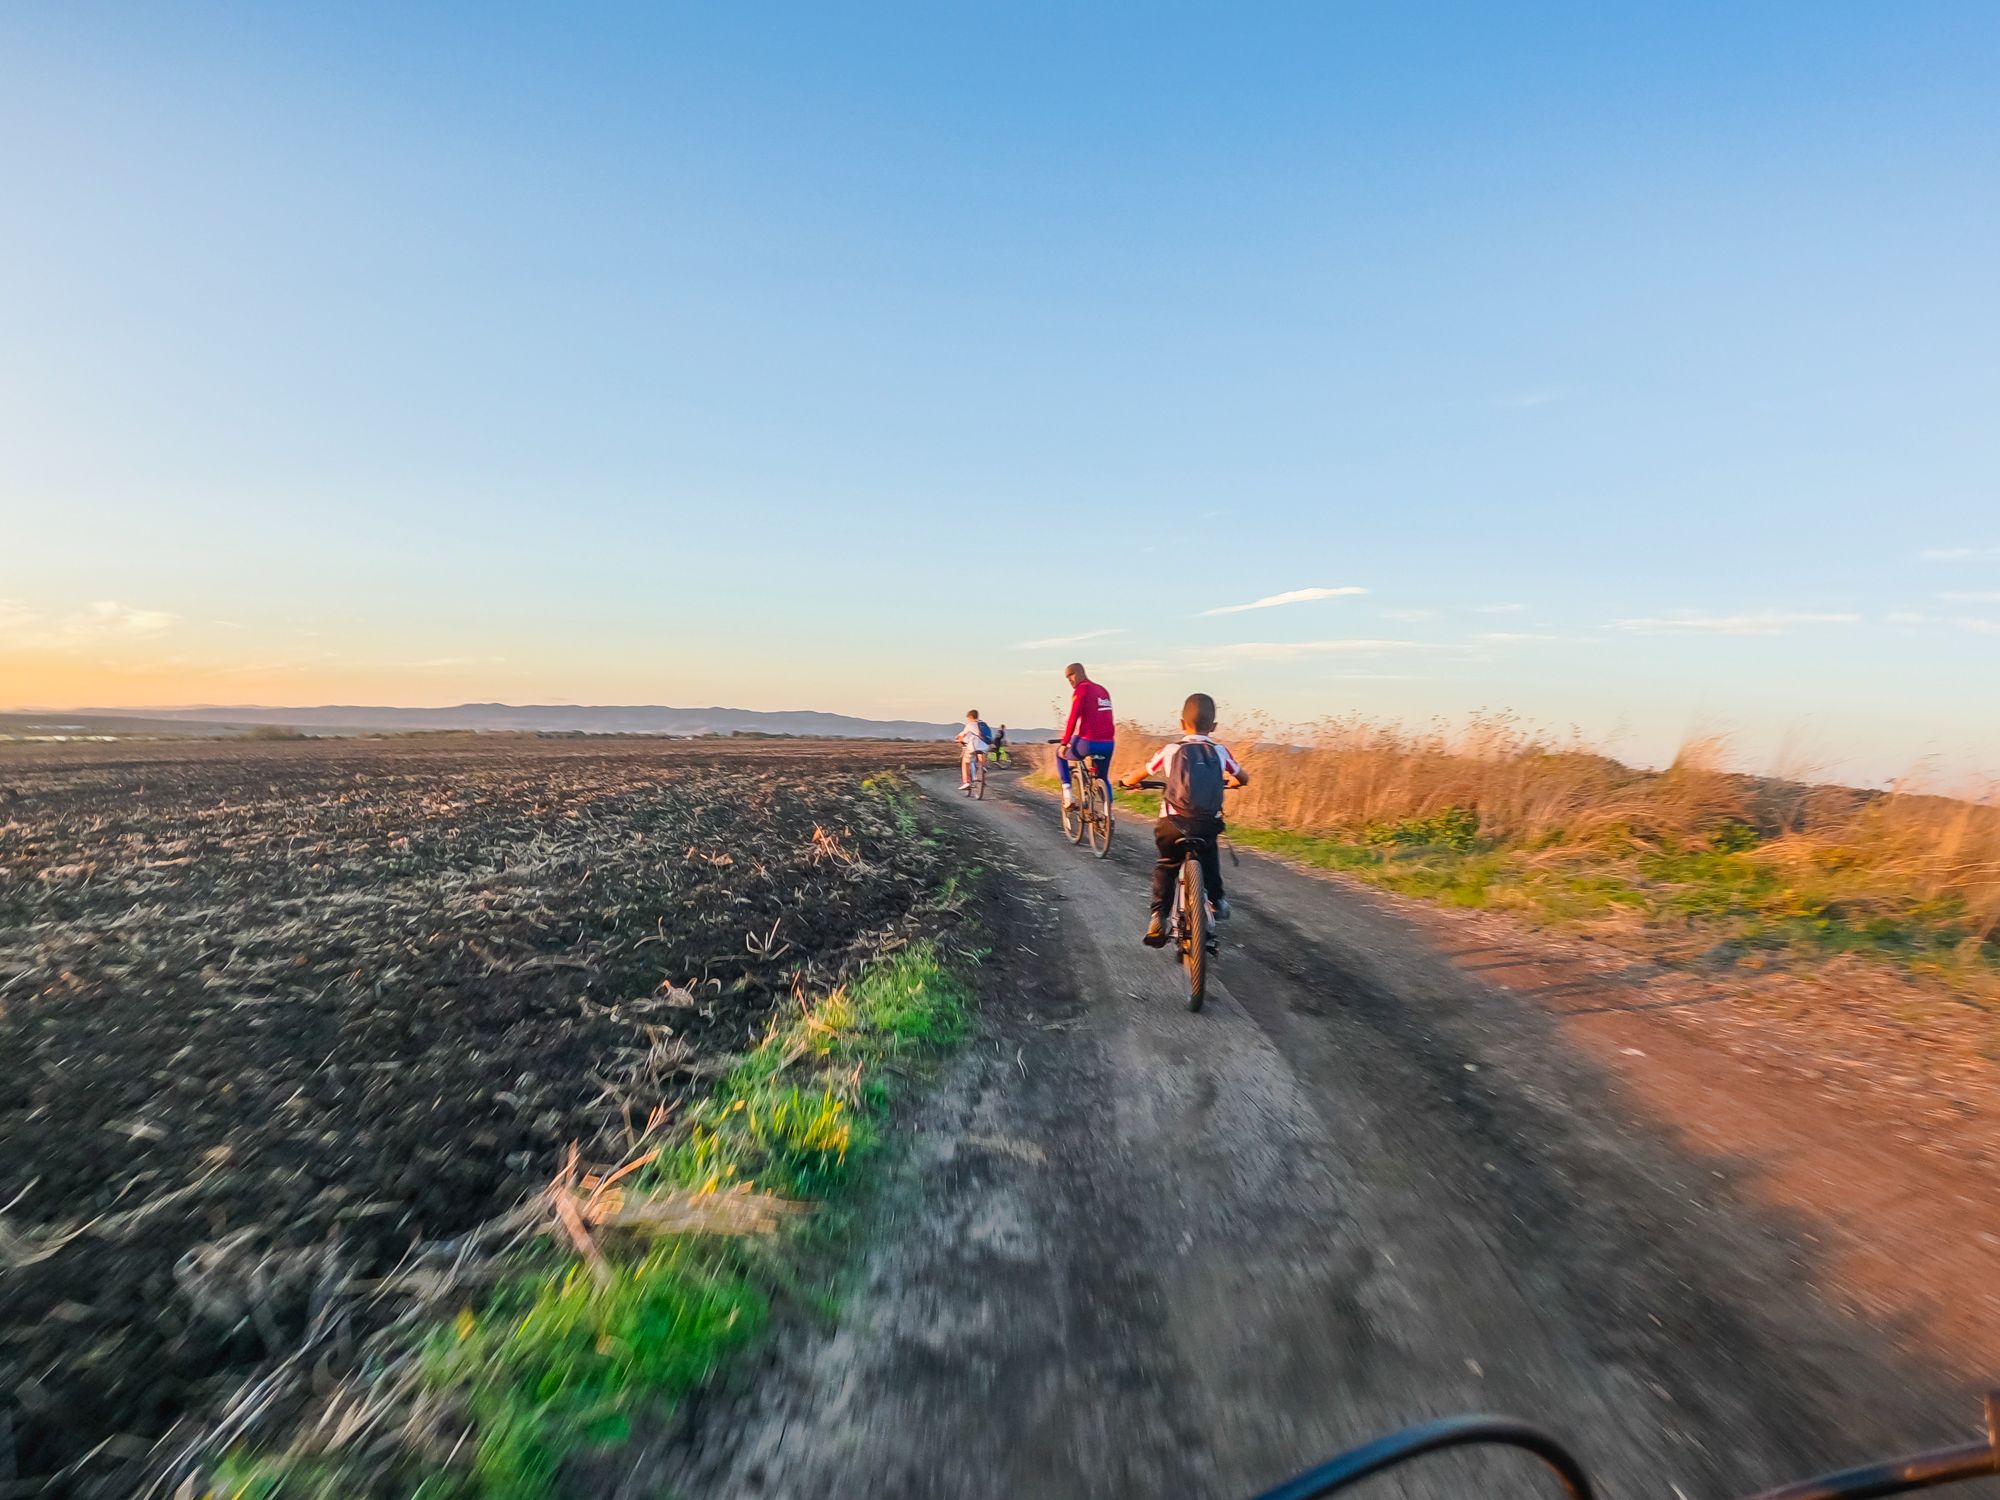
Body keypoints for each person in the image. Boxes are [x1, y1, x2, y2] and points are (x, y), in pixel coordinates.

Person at [1121, 692, 1248, 948]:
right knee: (1209, 856)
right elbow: (1244, 777)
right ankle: (1218, 900)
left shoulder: (1171, 750)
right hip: (1206, 824)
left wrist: (1127, 782)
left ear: (1181, 724)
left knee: (1167, 864)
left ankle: (1158, 916)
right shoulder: (1220, 751)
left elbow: (1141, 773)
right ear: (1213, 727)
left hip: (1172, 824)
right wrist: (1232, 783)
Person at [1056, 662, 1115, 809]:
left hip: (1088, 743)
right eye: (1067, 677)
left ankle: (1068, 796)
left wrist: (1064, 743)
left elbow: (1073, 718)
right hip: (1108, 744)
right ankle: (1109, 815)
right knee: (1103, 778)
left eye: (1071, 674)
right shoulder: (1103, 690)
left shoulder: (1081, 690)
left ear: (1081, 672)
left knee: (1059, 754)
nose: (1069, 679)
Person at [956, 709, 991, 789]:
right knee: (981, 756)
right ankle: (982, 769)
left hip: (974, 746)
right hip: (985, 746)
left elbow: (962, 735)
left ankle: (966, 782)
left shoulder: (970, 724)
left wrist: (958, 740)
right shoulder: (984, 724)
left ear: (970, 717)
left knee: (965, 761)